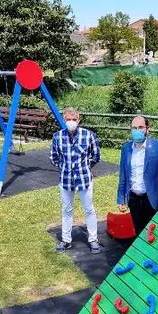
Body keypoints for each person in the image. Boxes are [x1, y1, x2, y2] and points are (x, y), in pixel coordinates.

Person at [50, 107, 101, 254]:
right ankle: (66, 240)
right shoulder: (57, 137)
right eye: (68, 119)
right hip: (66, 180)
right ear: (64, 120)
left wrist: (85, 167)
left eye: (74, 119)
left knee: (89, 209)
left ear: (78, 120)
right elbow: (54, 157)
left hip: (84, 179)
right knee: (66, 210)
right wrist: (65, 167)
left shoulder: (88, 135)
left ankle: (93, 239)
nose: (71, 122)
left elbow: (96, 155)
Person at [116, 116, 158, 235]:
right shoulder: (126, 149)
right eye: (134, 128)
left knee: (153, 232)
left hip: (152, 199)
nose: (137, 130)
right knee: (138, 231)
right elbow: (123, 175)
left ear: (147, 129)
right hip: (134, 198)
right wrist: (121, 199)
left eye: (140, 127)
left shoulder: (157, 146)